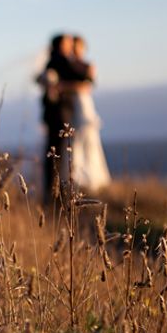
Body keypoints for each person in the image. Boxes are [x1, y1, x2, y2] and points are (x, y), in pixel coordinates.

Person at [36, 33, 89, 205]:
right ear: (60, 45)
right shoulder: (61, 60)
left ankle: (52, 191)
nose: (70, 45)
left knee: (54, 153)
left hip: (54, 114)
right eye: (67, 42)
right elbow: (82, 76)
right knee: (58, 153)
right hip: (60, 114)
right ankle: (55, 193)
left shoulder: (52, 61)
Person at [68, 36, 111, 193]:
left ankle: (92, 179)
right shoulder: (68, 65)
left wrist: (63, 87)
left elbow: (89, 85)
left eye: (78, 47)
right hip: (75, 104)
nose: (75, 49)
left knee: (89, 137)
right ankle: (77, 177)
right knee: (76, 139)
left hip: (84, 103)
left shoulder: (88, 65)